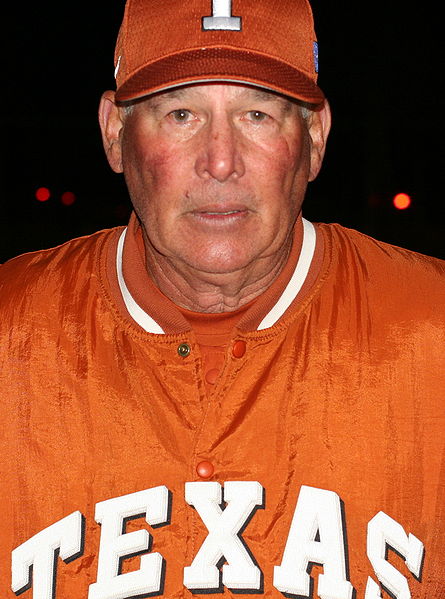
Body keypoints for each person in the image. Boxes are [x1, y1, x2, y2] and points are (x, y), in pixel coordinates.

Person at [0, 0, 444, 597]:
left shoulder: (432, 332)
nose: (220, 162)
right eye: (180, 113)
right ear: (114, 133)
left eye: (257, 115)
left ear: (315, 137)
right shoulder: (11, 335)